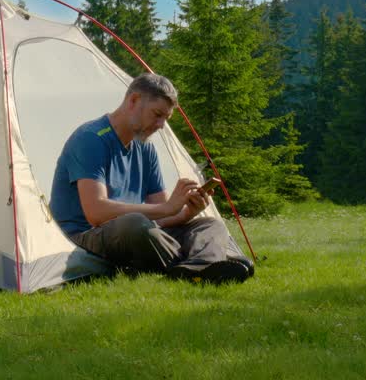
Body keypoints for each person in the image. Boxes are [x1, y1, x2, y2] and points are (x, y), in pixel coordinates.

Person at [50, 72, 254, 283]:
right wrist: (167, 208)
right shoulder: (91, 139)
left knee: (210, 225)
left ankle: (196, 268)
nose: (161, 125)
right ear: (134, 100)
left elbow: (161, 217)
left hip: (138, 233)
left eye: (166, 118)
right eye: (157, 114)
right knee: (136, 224)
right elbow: (96, 212)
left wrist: (186, 213)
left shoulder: (145, 148)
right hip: (86, 235)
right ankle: (208, 260)